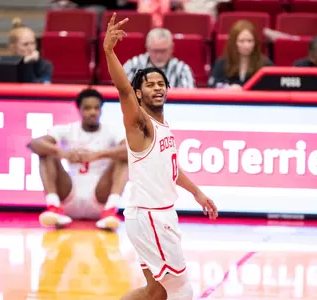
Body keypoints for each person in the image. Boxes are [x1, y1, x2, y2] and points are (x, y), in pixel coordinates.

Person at [103, 13, 218, 300]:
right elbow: (122, 91)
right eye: (150, 84)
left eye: (160, 84)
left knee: (156, 292)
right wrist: (108, 51)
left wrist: (198, 194)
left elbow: (172, 171)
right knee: (181, 289)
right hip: (151, 217)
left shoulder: (163, 127)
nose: (157, 87)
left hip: (156, 215)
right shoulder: (140, 124)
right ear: (139, 94)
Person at [27, 88, 128, 230]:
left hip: (100, 197)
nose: (92, 112)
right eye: (87, 108)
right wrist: (63, 153)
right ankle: (54, 207)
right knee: (47, 152)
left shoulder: (112, 131)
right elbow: (34, 144)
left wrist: (97, 155)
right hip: (70, 196)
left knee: (123, 156)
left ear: (101, 110)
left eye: (96, 108)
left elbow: (131, 151)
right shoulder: (67, 129)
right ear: (79, 110)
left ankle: (111, 209)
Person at [208, 20, 274, 90]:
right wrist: (228, 88)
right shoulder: (221, 63)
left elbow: (273, 88)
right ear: (233, 42)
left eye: (250, 41)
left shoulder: (266, 64)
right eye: (241, 41)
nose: (246, 45)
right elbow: (212, 86)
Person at [123, 28, 196, 89]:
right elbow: (120, 93)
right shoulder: (133, 65)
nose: (159, 56)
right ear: (147, 48)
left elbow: (190, 99)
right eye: (155, 51)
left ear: (172, 48)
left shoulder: (182, 69)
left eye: (163, 51)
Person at [9, 17, 53, 83]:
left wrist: (28, 64)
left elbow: (35, 87)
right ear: (13, 47)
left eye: (33, 43)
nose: (31, 48)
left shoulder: (45, 65)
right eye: (25, 44)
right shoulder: (8, 65)